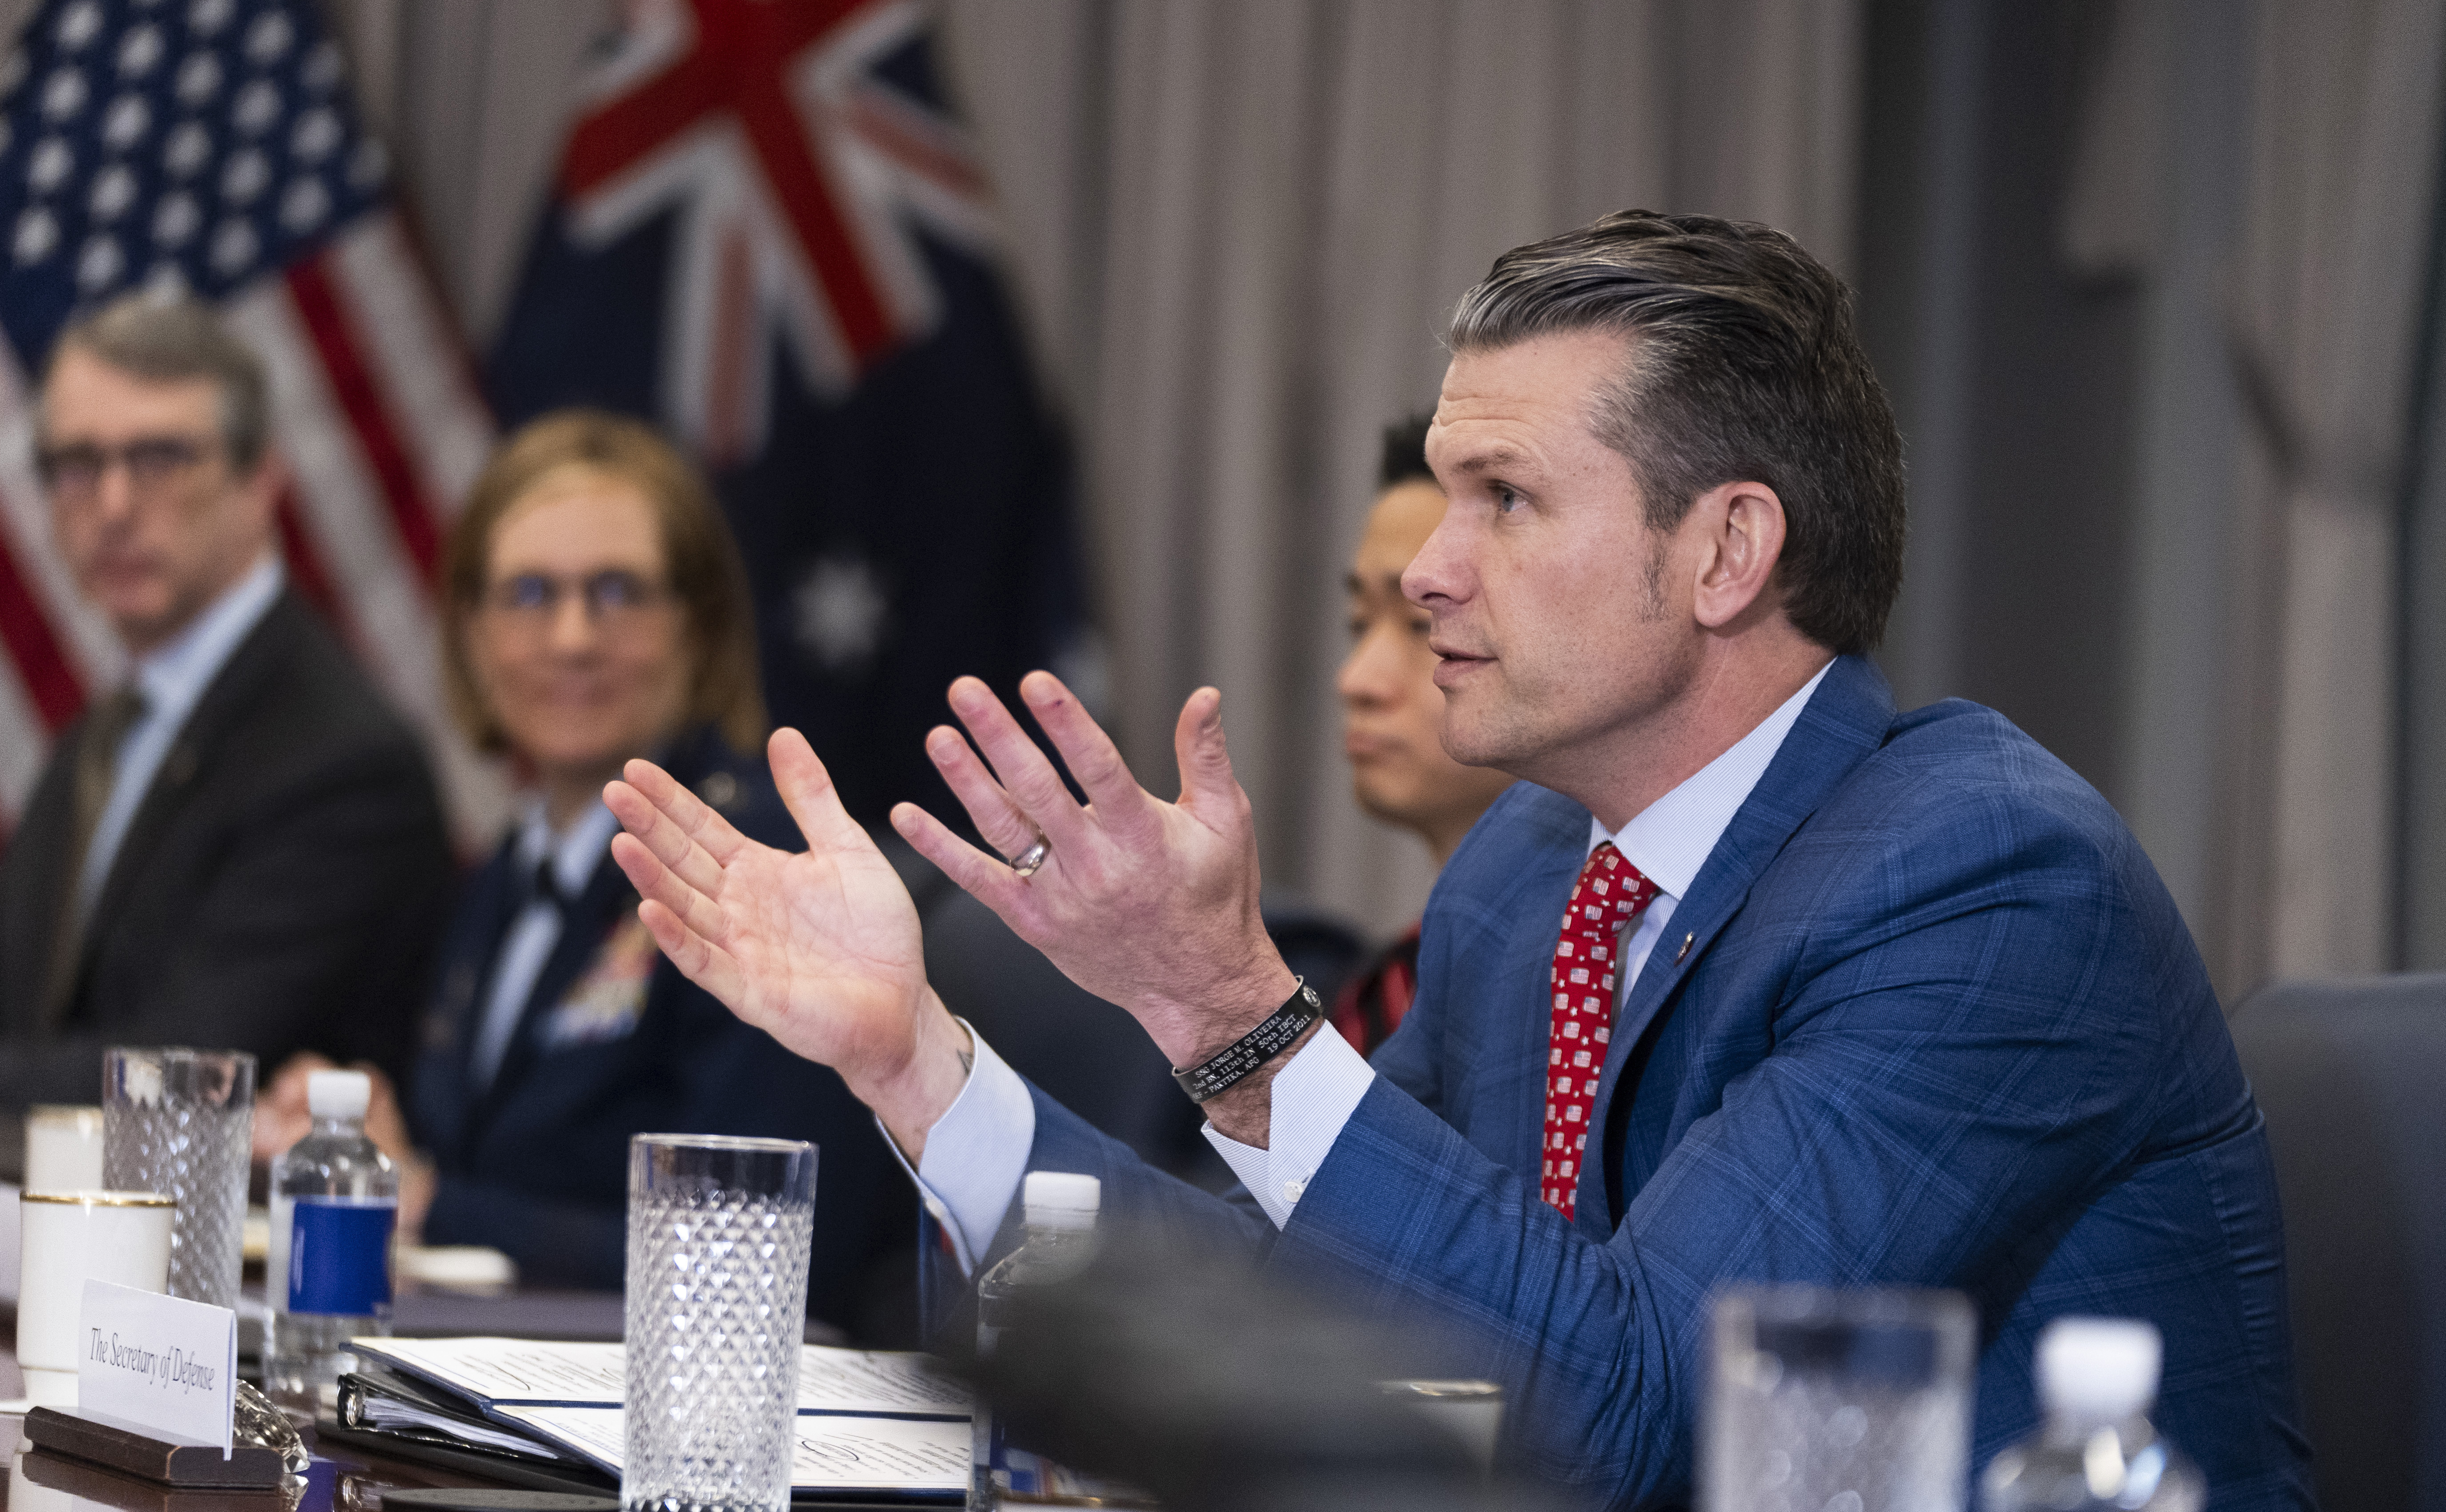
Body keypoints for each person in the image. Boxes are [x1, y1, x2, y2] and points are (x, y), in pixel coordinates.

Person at [603, 213, 2312, 1507]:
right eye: (1439, 492)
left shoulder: (1989, 887)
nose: (1426, 570)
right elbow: (1280, 1328)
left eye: (1501, 497)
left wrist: (1228, 1011)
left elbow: (1637, 1419)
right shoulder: (1525, 877)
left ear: (1724, 550)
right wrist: (918, 1068)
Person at [254, 412, 913, 1333]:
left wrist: (430, 1202)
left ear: (700, 627)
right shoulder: (499, 878)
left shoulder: (754, 873)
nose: (571, 638)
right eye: (527, 593)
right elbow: (488, 1161)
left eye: (618, 592)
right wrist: (369, 1142)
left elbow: (763, 1252)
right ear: (473, 636)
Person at [0, 292, 447, 1111]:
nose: (113, 507)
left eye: (160, 458)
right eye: (77, 465)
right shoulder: (105, 736)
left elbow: (177, 1079)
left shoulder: (342, 761)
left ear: (260, 479)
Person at [1331, 412, 1514, 1055]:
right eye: (1359, 621)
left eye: (1419, 625)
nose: (1356, 679)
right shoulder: (1384, 991)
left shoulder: (1594, 987)